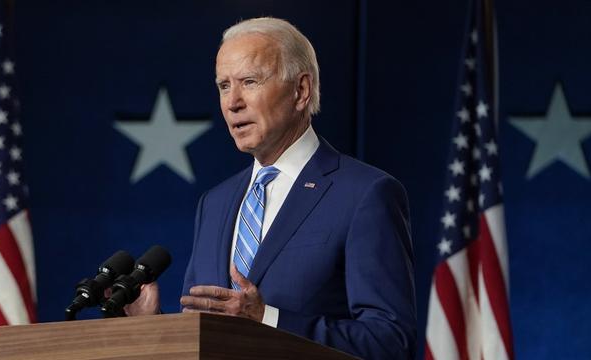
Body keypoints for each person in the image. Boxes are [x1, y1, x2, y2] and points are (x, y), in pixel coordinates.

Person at [127, 17, 416, 359]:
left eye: (249, 81)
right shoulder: (215, 203)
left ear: (301, 90)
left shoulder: (366, 194)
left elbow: (390, 342)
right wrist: (150, 324)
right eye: (223, 85)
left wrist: (266, 318)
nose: (233, 102)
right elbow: (205, 336)